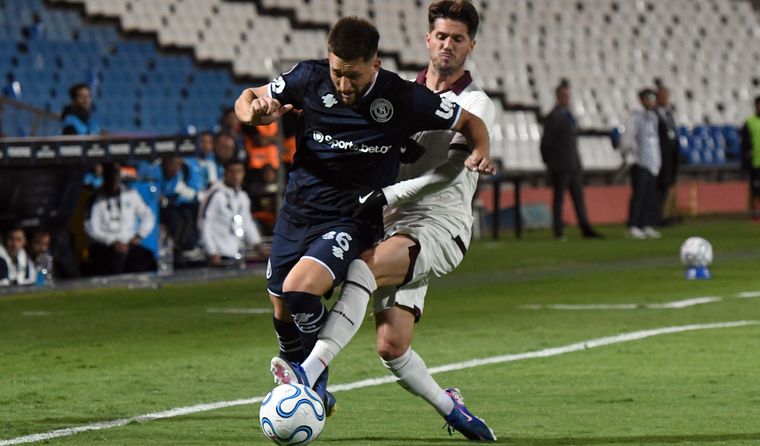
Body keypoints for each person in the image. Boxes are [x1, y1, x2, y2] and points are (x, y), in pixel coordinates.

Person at [234, 15, 493, 417]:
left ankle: (312, 381)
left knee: (306, 289)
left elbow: (471, 122)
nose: (343, 85)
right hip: (300, 210)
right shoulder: (308, 77)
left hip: (356, 216)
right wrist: (254, 112)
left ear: (375, 64)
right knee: (285, 308)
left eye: (352, 76)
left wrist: (481, 150)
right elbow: (248, 98)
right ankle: (308, 376)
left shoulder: (402, 97)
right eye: (337, 73)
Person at [540, 80, 602, 240]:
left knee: (579, 198)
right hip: (560, 165)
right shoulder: (553, 116)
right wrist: (550, 162)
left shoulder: (569, 115)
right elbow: (546, 142)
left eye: (568, 96)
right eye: (564, 96)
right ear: (557, 96)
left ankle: (585, 226)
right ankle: (558, 230)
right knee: (559, 198)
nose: (566, 99)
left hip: (573, 164)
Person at [85, 163, 157, 275]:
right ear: (104, 177)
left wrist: (139, 235)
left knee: (148, 258)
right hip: (105, 245)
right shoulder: (95, 199)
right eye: (109, 177)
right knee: (116, 258)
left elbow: (148, 215)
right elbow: (91, 228)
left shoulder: (130, 194)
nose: (112, 180)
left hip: (128, 242)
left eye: (115, 176)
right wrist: (113, 241)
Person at [198, 159, 262, 266]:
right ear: (225, 173)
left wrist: (257, 244)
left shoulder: (242, 197)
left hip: (234, 252)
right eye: (232, 172)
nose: (235, 175)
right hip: (217, 254)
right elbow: (204, 223)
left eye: (239, 171)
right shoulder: (215, 195)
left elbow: (247, 222)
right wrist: (211, 251)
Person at [621, 88, 662, 239]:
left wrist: (657, 161)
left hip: (652, 163)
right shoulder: (635, 117)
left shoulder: (654, 117)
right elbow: (627, 139)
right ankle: (633, 225)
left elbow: (654, 141)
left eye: (653, 98)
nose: (652, 101)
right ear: (642, 100)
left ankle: (646, 224)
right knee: (639, 196)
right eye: (649, 98)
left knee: (650, 196)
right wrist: (632, 156)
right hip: (640, 162)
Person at [654, 84, 680, 225]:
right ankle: (655, 217)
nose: (665, 99)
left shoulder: (669, 114)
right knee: (658, 188)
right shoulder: (653, 114)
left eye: (666, 96)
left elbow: (673, 133)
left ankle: (663, 216)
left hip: (670, 155)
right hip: (659, 155)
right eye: (662, 96)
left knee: (666, 186)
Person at [740, 95, 760, 219]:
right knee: (755, 189)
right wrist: (746, 161)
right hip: (755, 162)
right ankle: (755, 214)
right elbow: (744, 144)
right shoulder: (749, 122)